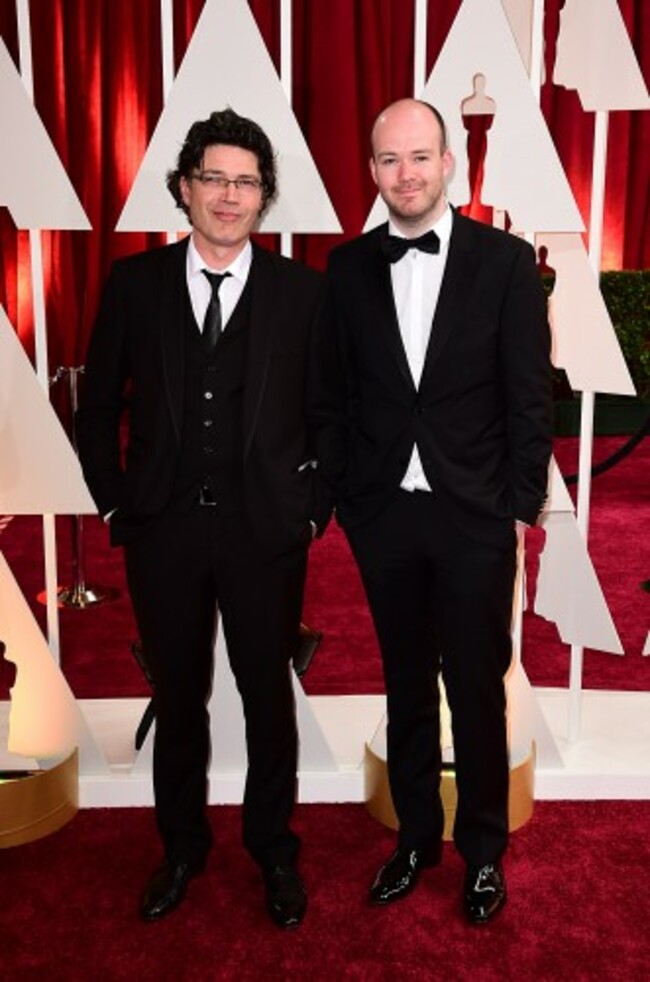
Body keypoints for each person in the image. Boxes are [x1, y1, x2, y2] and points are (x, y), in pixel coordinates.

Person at [76, 109, 337, 928]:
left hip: (267, 532)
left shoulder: (304, 293)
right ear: (185, 187)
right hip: (164, 532)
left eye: (246, 181)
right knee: (179, 697)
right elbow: (97, 407)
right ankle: (181, 847)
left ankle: (273, 851)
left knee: (268, 698)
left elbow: (331, 413)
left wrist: (309, 507)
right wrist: (118, 499)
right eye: (214, 178)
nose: (229, 196)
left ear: (265, 197)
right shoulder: (134, 284)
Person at [324, 99, 552, 924]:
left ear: (449, 164)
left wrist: (515, 507)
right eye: (389, 160)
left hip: (474, 517)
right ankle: (415, 838)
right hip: (385, 514)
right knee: (404, 683)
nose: (406, 175)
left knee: (479, 689)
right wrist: (352, 499)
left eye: (420, 157)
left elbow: (531, 395)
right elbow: (335, 395)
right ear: (374, 171)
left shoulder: (504, 263)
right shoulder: (348, 270)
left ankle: (483, 851)